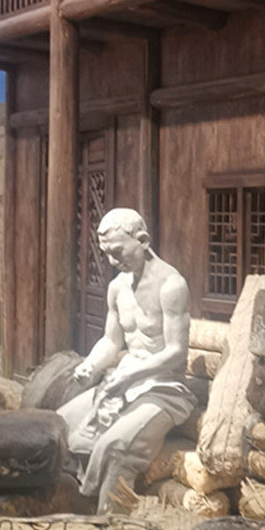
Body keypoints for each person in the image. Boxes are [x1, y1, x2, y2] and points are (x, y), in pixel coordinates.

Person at [57, 207, 195, 511]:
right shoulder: (117, 287)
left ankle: (111, 525)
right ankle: (70, 509)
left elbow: (175, 352)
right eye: (106, 253)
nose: (112, 261)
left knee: (116, 448)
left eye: (118, 252)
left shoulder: (171, 285)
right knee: (58, 426)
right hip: (122, 383)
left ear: (143, 240)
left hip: (163, 389)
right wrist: (91, 364)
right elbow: (111, 341)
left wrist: (130, 374)